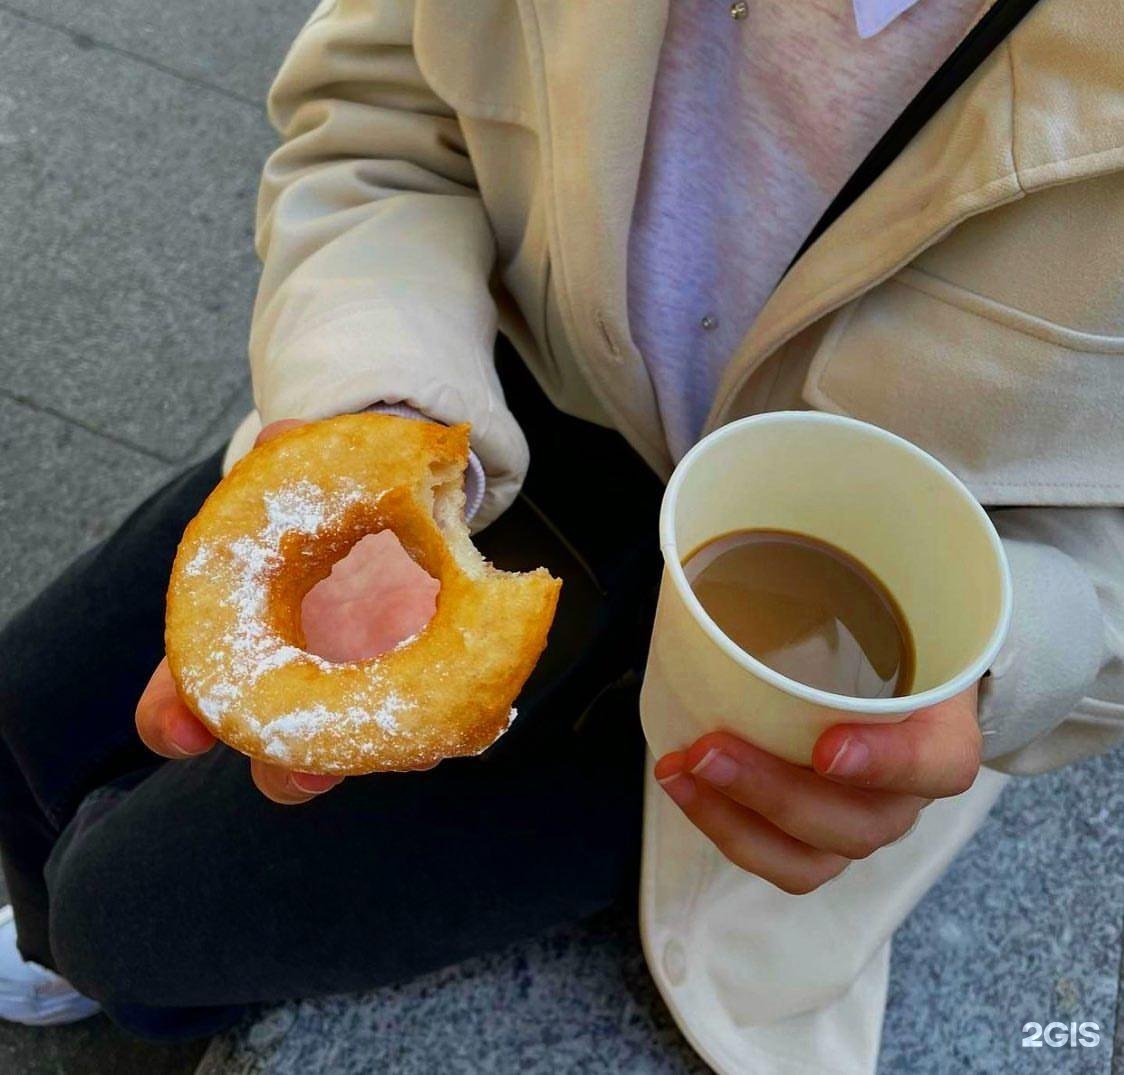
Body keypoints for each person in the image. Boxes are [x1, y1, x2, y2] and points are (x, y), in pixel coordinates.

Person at [0, 0, 1120, 1069]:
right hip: (472, 386)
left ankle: (106, 978)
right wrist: (374, 408)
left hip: (780, 644)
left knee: (125, 924)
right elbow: (381, 118)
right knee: (27, 705)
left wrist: (990, 655)